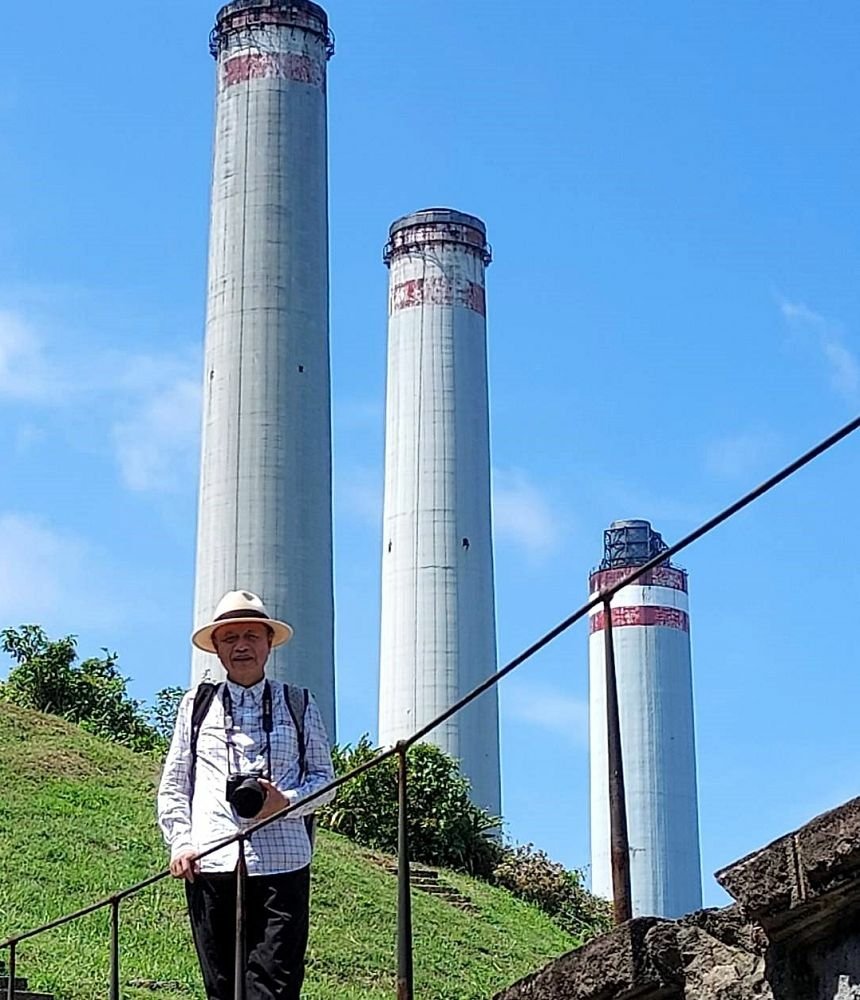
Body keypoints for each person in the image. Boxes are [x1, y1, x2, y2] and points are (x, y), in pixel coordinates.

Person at [157, 590, 335, 1000]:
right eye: (230, 637)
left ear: (269, 643)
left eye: (252, 636)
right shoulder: (196, 707)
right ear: (216, 648)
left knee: (276, 986)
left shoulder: (299, 703)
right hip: (211, 862)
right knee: (220, 987)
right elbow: (174, 784)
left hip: (283, 864)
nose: (241, 646)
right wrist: (181, 843)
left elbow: (326, 780)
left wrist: (284, 803)